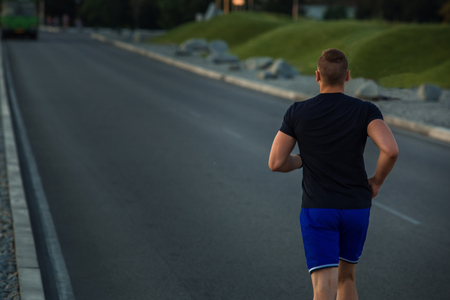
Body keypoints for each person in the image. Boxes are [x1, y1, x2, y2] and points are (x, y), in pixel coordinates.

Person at [268, 48, 399, 300]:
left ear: (317, 76)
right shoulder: (365, 110)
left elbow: (275, 162)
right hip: (356, 209)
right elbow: (390, 150)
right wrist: (376, 182)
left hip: (319, 210)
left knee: (323, 288)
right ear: (347, 76)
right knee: (346, 278)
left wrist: (301, 160)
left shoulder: (298, 112)